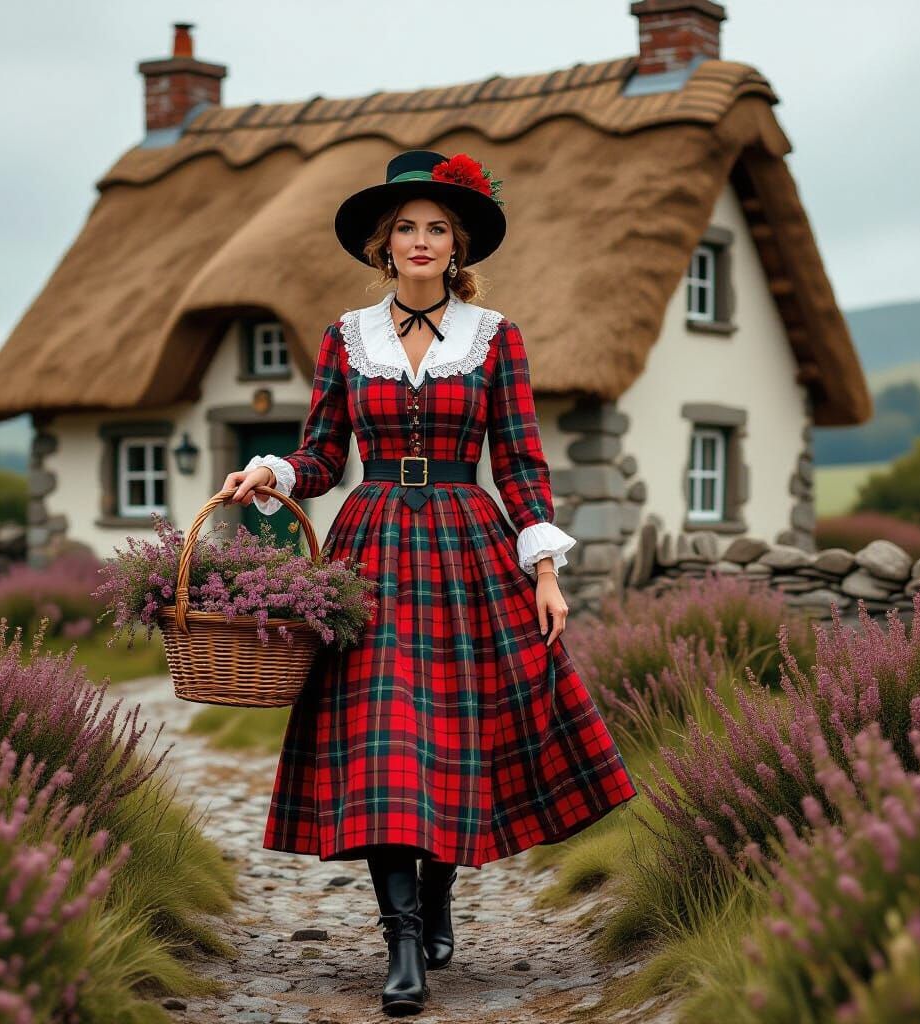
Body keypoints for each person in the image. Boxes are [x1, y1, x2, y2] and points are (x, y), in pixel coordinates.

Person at [222, 149, 638, 1017]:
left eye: (436, 229)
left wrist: (547, 571)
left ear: (458, 246)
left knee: (453, 728)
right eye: (405, 228)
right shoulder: (345, 337)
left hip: (466, 545)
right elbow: (324, 455)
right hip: (368, 548)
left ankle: (439, 886)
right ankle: (402, 936)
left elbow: (521, 462)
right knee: (384, 734)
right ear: (384, 244)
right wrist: (271, 472)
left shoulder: (496, 339)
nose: (419, 241)